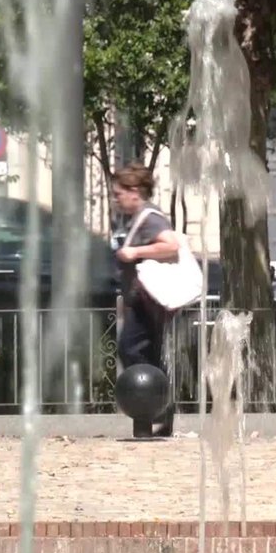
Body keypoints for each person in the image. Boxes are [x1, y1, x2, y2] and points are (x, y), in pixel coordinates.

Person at [112, 164, 181, 434]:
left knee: (131, 349)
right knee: (147, 354)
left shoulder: (150, 218)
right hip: (142, 300)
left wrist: (135, 253)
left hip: (147, 301)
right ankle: (156, 416)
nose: (116, 199)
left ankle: (154, 410)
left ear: (135, 191)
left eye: (119, 194)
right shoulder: (137, 219)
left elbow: (171, 244)